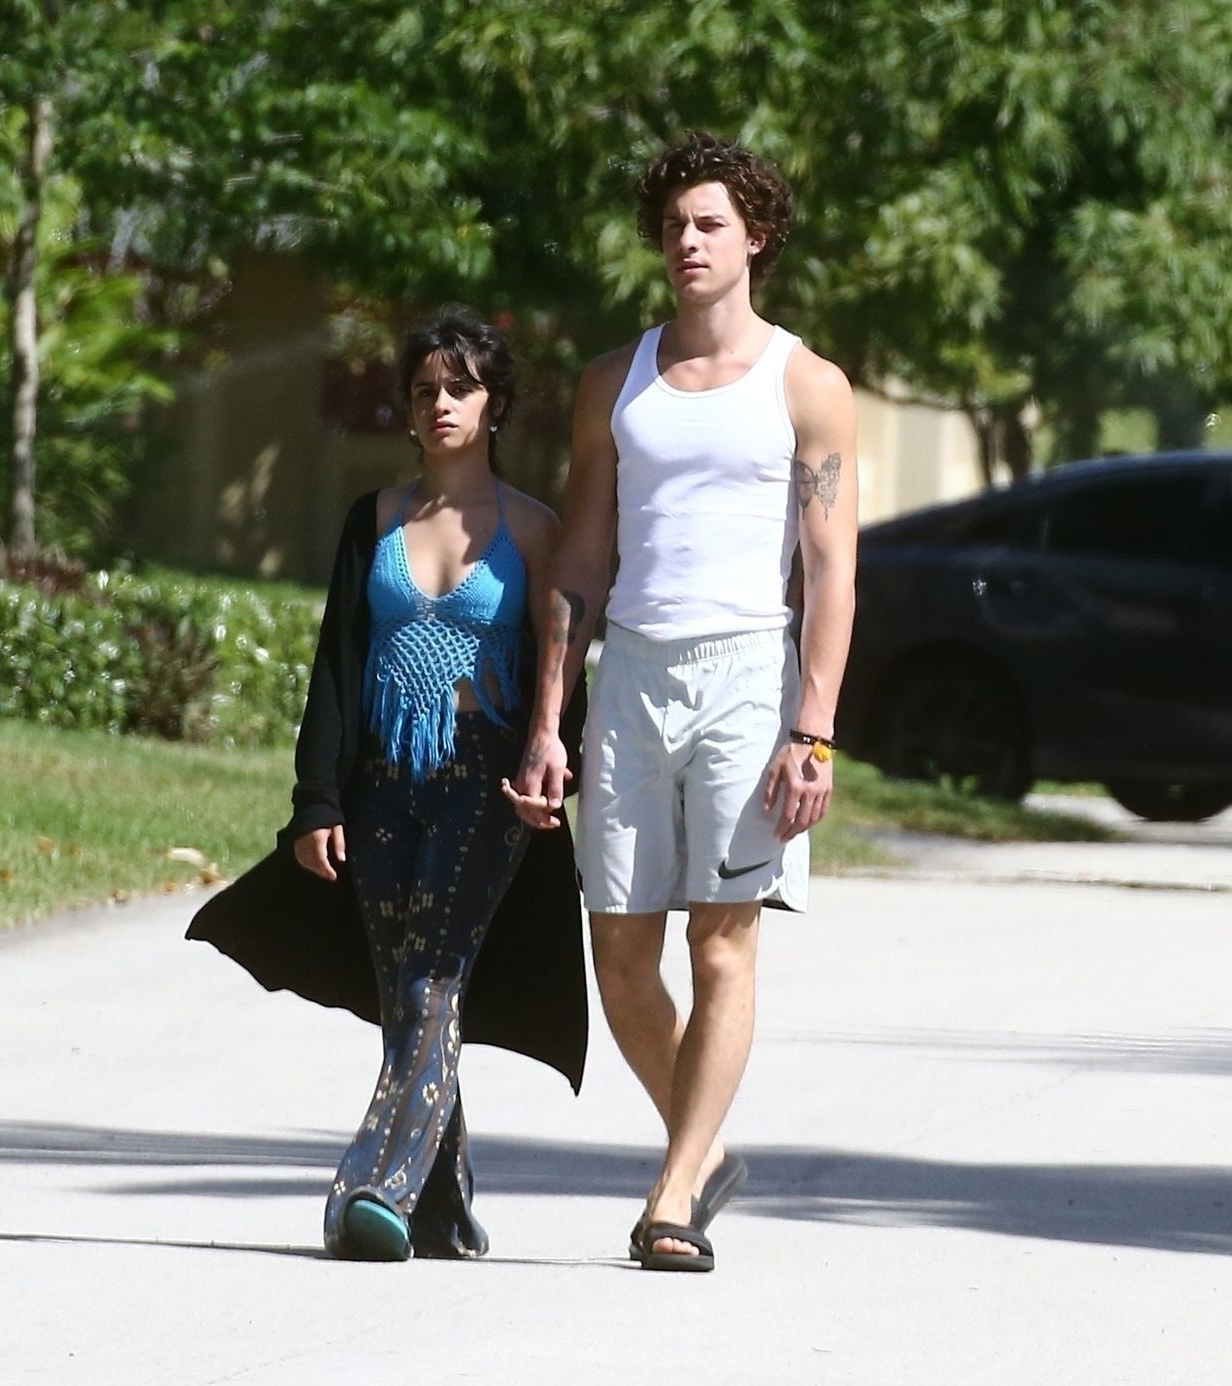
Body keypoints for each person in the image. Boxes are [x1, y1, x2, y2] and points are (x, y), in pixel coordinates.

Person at [507, 133, 858, 1272]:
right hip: (632, 679)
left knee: (721, 944)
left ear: (757, 237)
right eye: (673, 227)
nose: (688, 243)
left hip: (749, 678)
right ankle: (701, 1151)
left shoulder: (807, 385)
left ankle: (671, 1195)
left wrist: (813, 731)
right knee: (619, 956)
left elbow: (832, 571)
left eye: (710, 224)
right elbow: (580, 557)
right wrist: (551, 717)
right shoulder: (616, 382)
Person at [186, 307, 588, 1262]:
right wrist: (315, 801)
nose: (441, 403)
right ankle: (443, 1205)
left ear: (495, 406)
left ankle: (372, 1188)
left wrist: (552, 765)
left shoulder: (536, 530)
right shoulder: (372, 520)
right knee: (403, 991)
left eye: (461, 388)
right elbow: (336, 665)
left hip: (482, 787)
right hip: (380, 783)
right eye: (424, 390)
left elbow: (562, 669)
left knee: (431, 977)